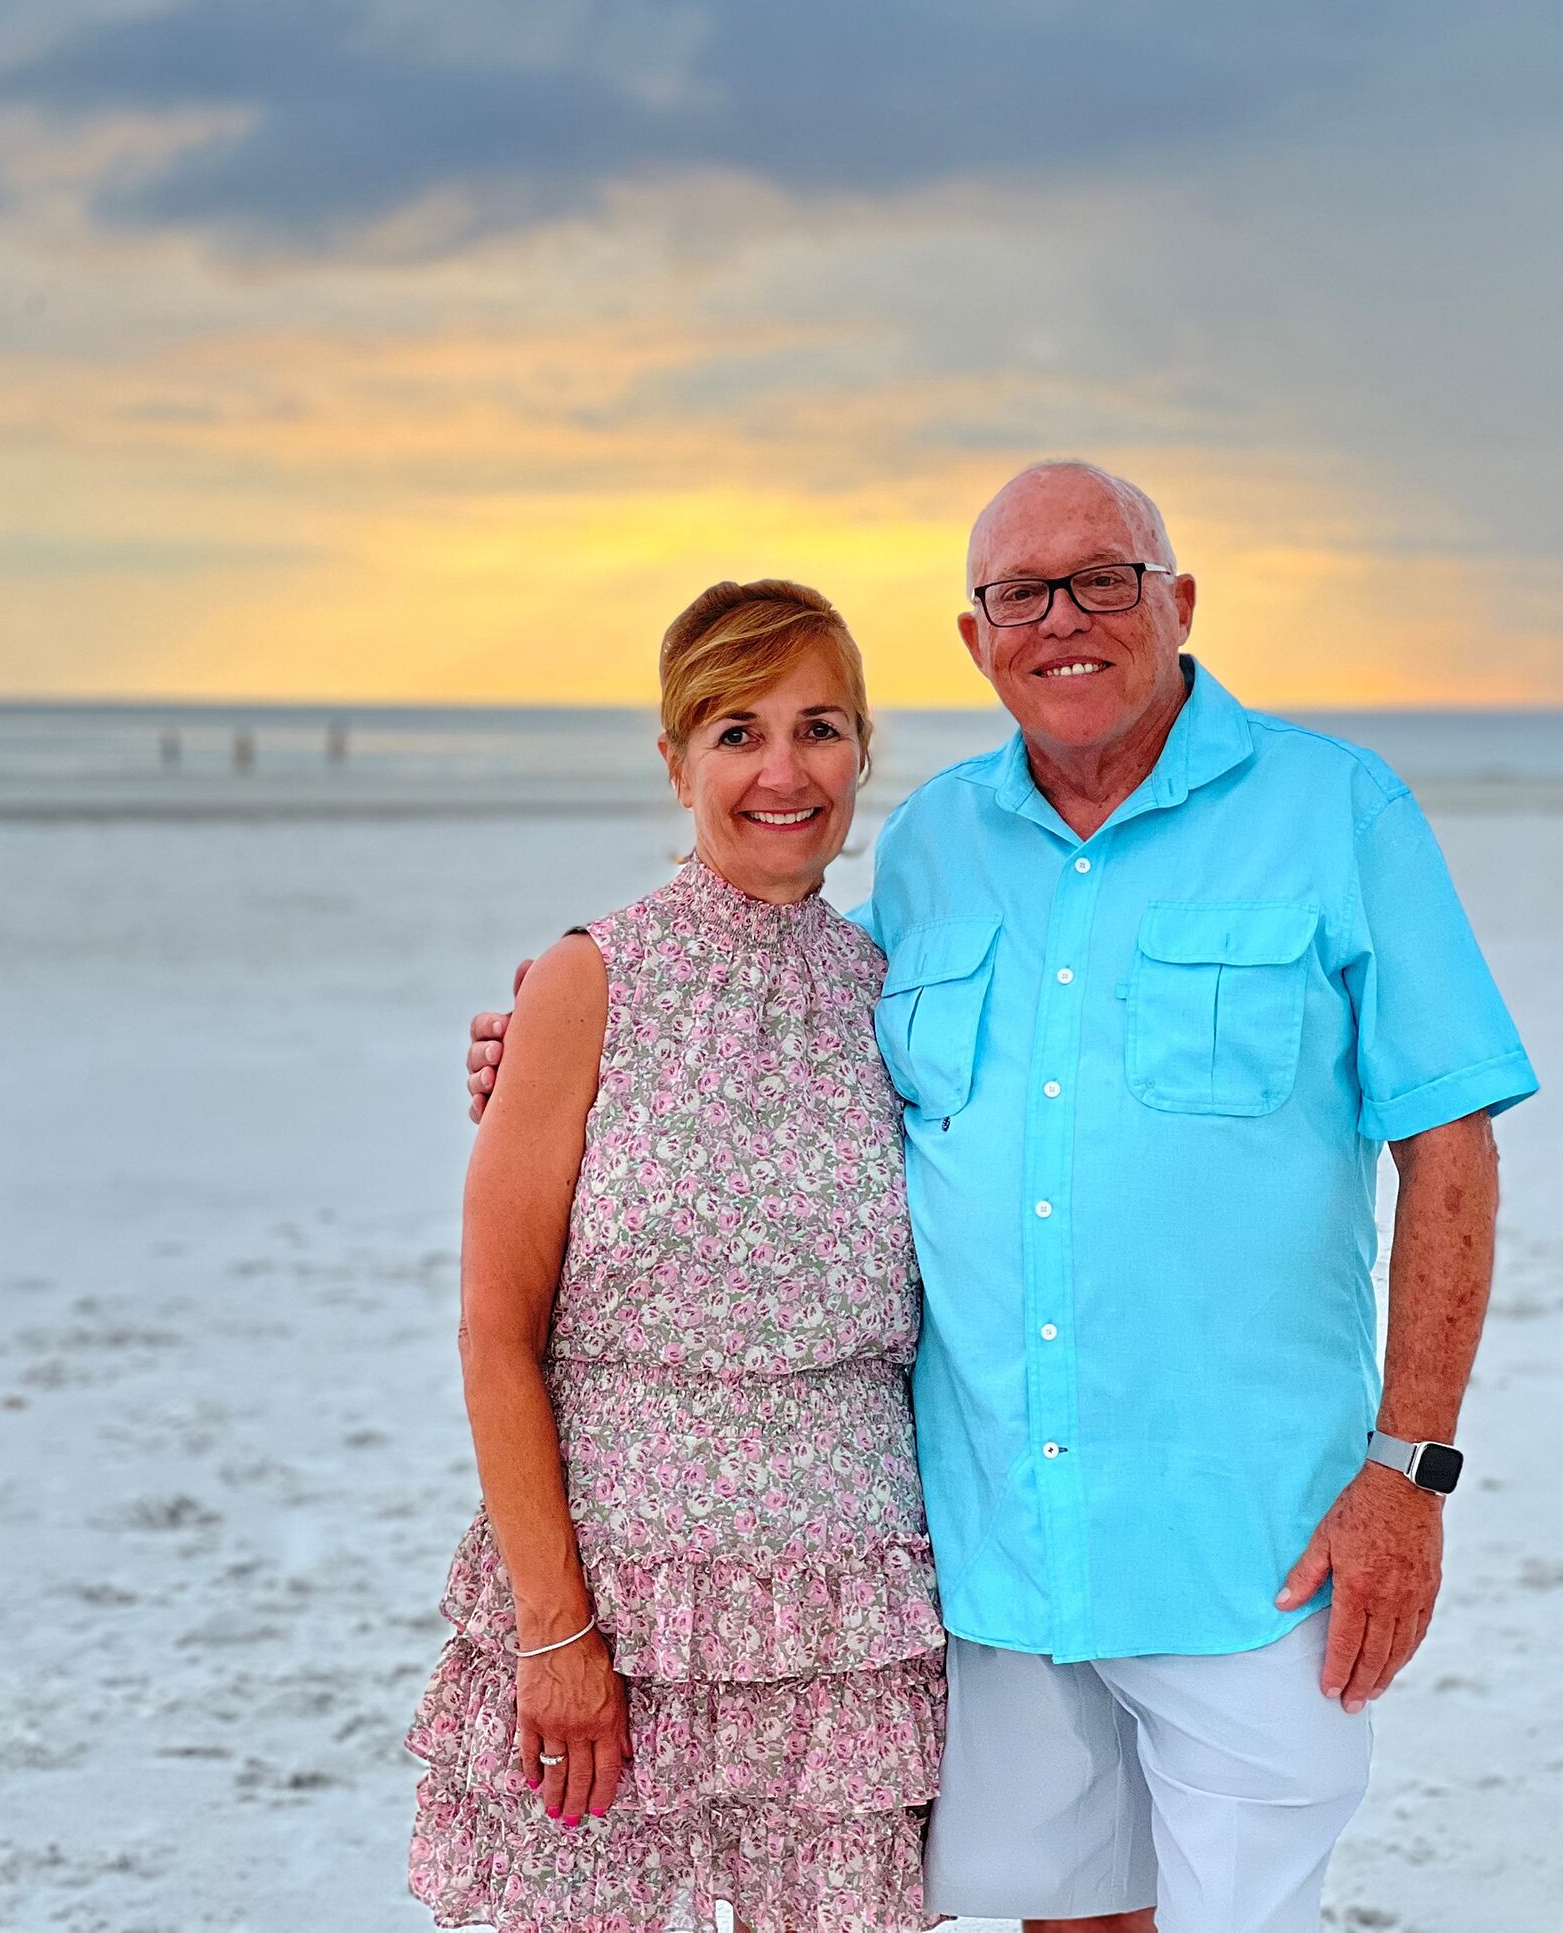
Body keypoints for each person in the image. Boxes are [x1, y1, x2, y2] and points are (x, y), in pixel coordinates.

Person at [469, 462, 1537, 1933]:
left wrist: (1409, 1469)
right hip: (990, 1562)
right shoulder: (929, 852)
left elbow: (1453, 1145)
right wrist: (557, 1040)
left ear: (1178, 601)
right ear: (976, 642)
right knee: (1069, 1919)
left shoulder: (1336, 808)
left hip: (1250, 1547)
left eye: (1105, 576)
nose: (1064, 619)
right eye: (1021, 593)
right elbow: (776, 1024)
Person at [409, 580, 949, 1933]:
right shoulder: (587, 982)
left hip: (852, 1633)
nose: (783, 769)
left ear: (863, 751)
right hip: (618, 1611)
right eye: (736, 730)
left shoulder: (901, 996)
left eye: (819, 727)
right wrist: (554, 1630)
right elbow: (494, 1330)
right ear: (676, 759)